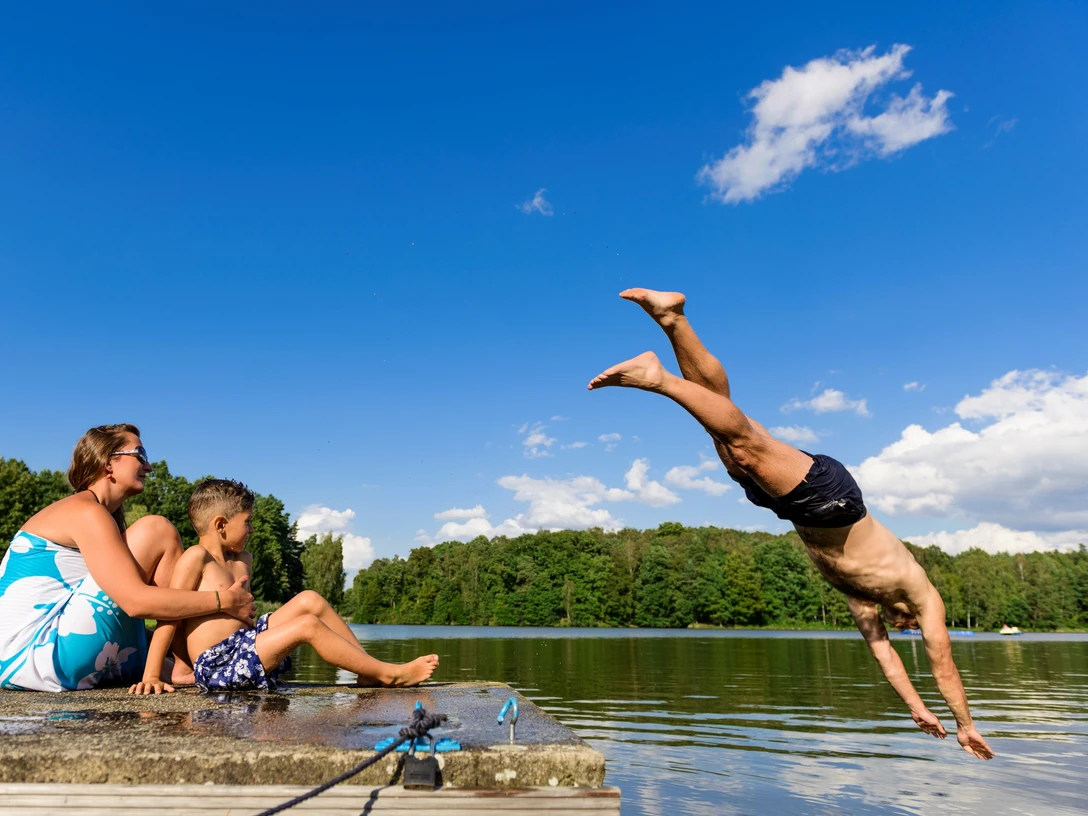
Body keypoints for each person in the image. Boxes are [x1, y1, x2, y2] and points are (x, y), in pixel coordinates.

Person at [588, 289, 994, 761]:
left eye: (899, 627)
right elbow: (940, 662)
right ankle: (659, 379)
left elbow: (885, 658)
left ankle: (672, 318)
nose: (901, 629)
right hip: (831, 497)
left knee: (722, 423)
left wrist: (916, 708)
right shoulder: (925, 599)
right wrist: (966, 725)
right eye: (905, 627)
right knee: (740, 442)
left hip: (794, 508)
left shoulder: (865, 601)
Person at [0, 424, 254, 691]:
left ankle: (195, 662)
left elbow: (123, 611)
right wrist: (223, 600)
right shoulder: (86, 512)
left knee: (168, 662)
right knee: (158, 530)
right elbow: (134, 602)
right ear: (108, 463)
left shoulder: (95, 515)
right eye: (140, 455)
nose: (149, 467)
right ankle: (194, 661)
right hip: (40, 655)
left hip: (27, 662)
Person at [129, 478, 439, 694]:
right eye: (247, 522)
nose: (251, 529)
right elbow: (170, 618)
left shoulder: (243, 560)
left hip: (247, 644)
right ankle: (388, 673)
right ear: (221, 524)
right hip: (219, 663)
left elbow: (245, 618)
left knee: (310, 600)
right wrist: (153, 675)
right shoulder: (195, 558)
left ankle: (367, 673)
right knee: (306, 625)